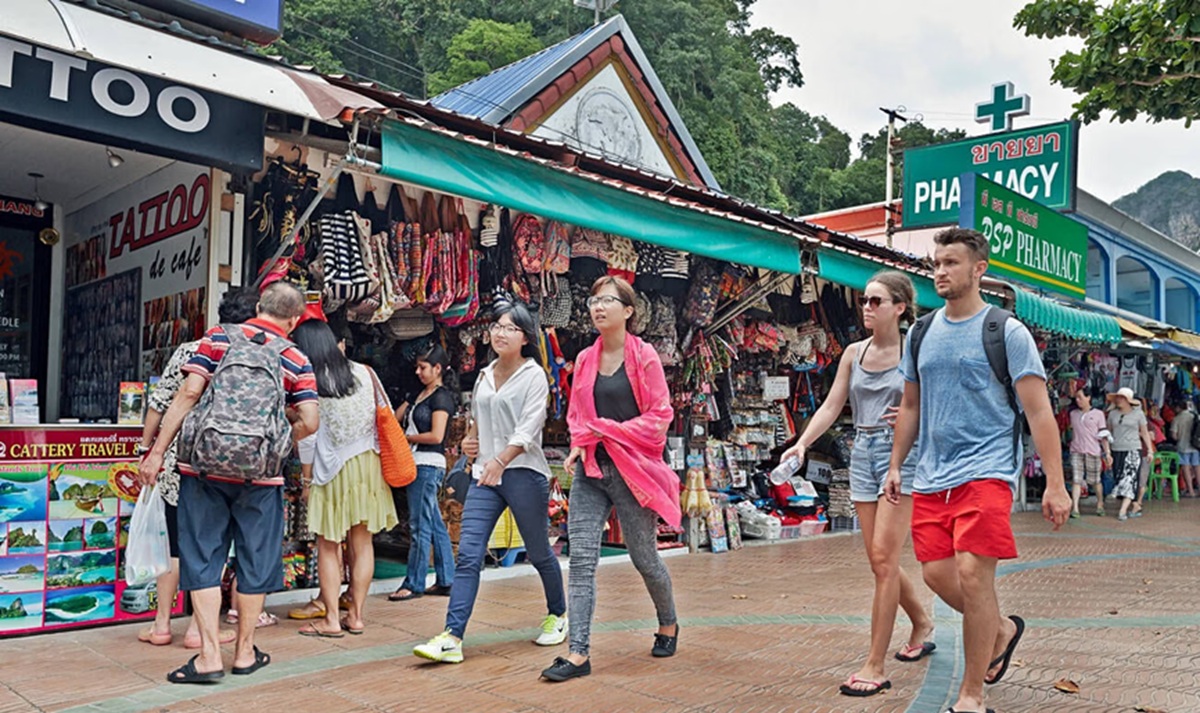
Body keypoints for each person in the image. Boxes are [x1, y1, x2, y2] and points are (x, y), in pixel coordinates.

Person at [885, 227, 1071, 713]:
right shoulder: (921, 333)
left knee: (972, 573)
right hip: (931, 476)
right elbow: (910, 406)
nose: (940, 272)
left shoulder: (1005, 331)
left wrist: (1055, 483)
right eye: (936, 264)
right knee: (936, 575)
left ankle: (972, 694)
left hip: (987, 471)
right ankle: (1002, 630)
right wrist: (895, 466)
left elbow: (1038, 411)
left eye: (950, 263)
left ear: (978, 269)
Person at [138, 281, 319, 684]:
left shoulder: (217, 338)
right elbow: (310, 421)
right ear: (294, 320)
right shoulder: (294, 356)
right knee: (254, 562)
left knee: (203, 559)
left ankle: (207, 657)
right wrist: (274, 435)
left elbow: (187, 393)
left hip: (201, 469)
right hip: (261, 476)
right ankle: (243, 653)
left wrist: (155, 453)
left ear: (259, 306)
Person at [777, 271, 934, 698]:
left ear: (900, 308)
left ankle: (875, 664)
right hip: (862, 451)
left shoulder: (915, 351)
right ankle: (921, 622)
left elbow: (933, 403)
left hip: (902, 455)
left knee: (884, 560)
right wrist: (802, 444)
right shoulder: (854, 352)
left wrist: (911, 417)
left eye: (877, 301)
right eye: (865, 301)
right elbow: (832, 404)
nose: (867, 307)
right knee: (877, 559)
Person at [540, 276, 680, 684]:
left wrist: (606, 431)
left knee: (644, 558)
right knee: (582, 561)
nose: (597, 307)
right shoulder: (585, 358)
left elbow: (659, 418)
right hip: (591, 470)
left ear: (628, 311)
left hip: (634, 470)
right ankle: (578, 653)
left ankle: (668, 622)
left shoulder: (645, 356)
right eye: (593, 299)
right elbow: (577, 415)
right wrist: (579, 443)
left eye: (607, 300)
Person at [413, 301, 567, 664]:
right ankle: (452, 636)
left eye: (510, 328)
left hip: (524, 474)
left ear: (525, 337)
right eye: (497, 325)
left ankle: (558, 614)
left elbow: (528, 430)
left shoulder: (533, 376)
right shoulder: (483, 374)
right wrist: (470, 443)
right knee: (467, 555)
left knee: (539, 550)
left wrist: (500, 460)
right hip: (485, 473)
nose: (500, 332)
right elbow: (478, 421)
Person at [135, 287, 259, 648]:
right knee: (212, 547)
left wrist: (147, 450)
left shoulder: (191, 350)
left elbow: (160, 403)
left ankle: (161, 625)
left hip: (180, 464)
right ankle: (196, 630)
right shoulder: (257, 356)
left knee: (173, 546)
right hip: (230, 465)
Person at [291, 319, 398, 637]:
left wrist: (307, 481)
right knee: (362, 543)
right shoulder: (366, 372)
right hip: (368, 466)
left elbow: (308, 437)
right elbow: (385, 413)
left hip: (331, 468)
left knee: (327, 544)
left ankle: (331, 620)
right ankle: (358, 616)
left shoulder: (311, 382)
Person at [388, 345, 456, 602]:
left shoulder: (442, 397)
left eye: (423, 367)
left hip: (427, 463)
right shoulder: (421, 395)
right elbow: (395, 419)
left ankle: (414, 583)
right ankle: (446, 579)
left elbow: (436, 435)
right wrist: (409, 397)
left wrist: (406, 438)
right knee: (434, 523)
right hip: (418, 462)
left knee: (419, 525)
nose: (418, 372)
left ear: (437, 369)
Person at [1107, 387, 1155, 521]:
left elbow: (1145, 433)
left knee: (1130, 479)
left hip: (1133, 449)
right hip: (1117, 449)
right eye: (1118, 397)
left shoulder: (1138, 414)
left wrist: (1149, 450)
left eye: (1121, 398)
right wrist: (1107, 451)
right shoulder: (1112, 414)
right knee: (1119, 478)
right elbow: (1108, 432)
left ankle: (1122, 510)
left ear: (1128, 400)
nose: (1118, 400)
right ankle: (1135, 505)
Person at [1069, 388, 1110, 518]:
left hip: (1093, 451)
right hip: (1076, 450)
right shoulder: (1073, 414)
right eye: (1076, 398)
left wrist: (1107, 453)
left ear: (1088, 398)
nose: (1077, 400)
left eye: (1080, 397)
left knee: (1095, 480)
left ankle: (1100, 503)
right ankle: (1075, 507)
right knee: (1076, 480)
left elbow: (1103, 435)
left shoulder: (1098, 414)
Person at [1172, 399, 1198, 496]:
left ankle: (1191, 491)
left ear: (1178, 408)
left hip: (1183, 446)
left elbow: (1174, 436)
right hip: (1195, 446)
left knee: (1185, 468)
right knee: (1197, 467)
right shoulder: (1194, 416)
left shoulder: (1177, 419)